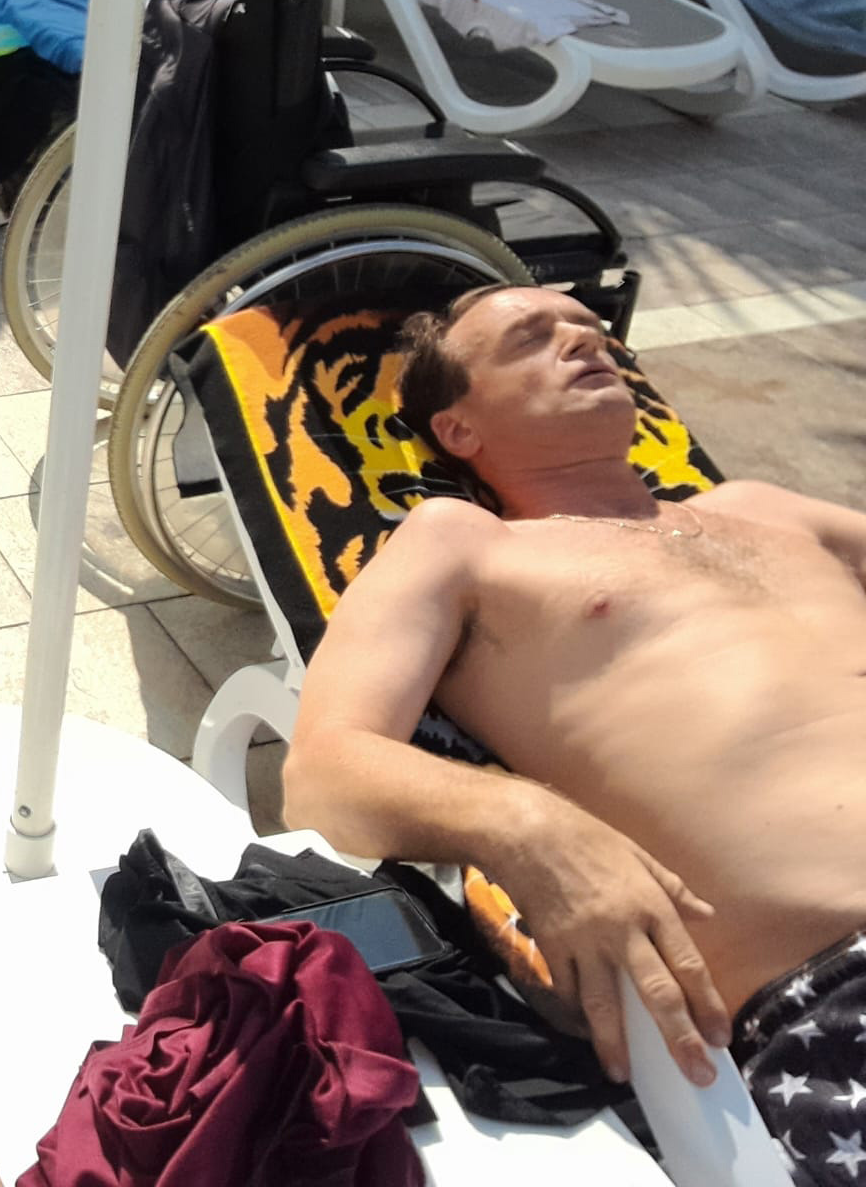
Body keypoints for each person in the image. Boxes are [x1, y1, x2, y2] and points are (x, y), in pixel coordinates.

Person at [282, 285, 866, 1182]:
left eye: (591, 330)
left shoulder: (765, 509)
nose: (586, 342)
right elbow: (323, 769)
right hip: (837, 994)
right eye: (532, 337)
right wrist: (529, 824)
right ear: (458, 428)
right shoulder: (466, 545)